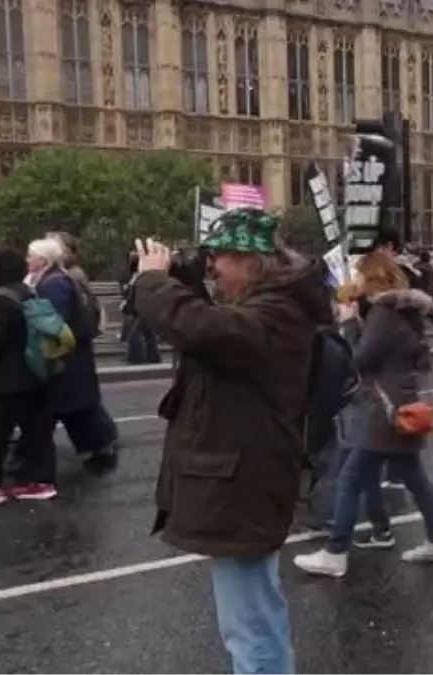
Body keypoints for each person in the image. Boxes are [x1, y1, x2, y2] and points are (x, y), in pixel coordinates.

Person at [131, 209, 333, 675]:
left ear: (252, 261)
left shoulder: (277, 314)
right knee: (250, 617)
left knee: (251, 625)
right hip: (244, 476)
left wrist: (153, 283)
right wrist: (175, 282)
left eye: (219, 257)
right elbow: (205, 328)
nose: (212, 268)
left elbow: (203, 329)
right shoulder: (269, 306)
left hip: (247, 481)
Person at [294, 249, 433, 577]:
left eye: (358, 273)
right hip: (400, 405)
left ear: (371, 276)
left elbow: (359, 359)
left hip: (385, 411)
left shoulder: (384, 313)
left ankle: (336, 552)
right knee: (415, 480)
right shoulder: (404, 311)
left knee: (351, 478)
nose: (354, 278)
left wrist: (351, 325)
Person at [24, 238, 119, 474]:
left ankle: (32, 460)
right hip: (70, 359)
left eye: (30, 256)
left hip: (65, 358)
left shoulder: (54, 283)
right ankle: (100, 450)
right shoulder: (55, 278)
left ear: (42, 260)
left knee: (63, 408)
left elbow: (52, 322)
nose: (27, 260)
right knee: (73, 409)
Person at [0, 249, 58, 505]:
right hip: (36, 373)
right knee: (37, 434)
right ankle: (40, 482)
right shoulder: (29, 292)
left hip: (5, 381)